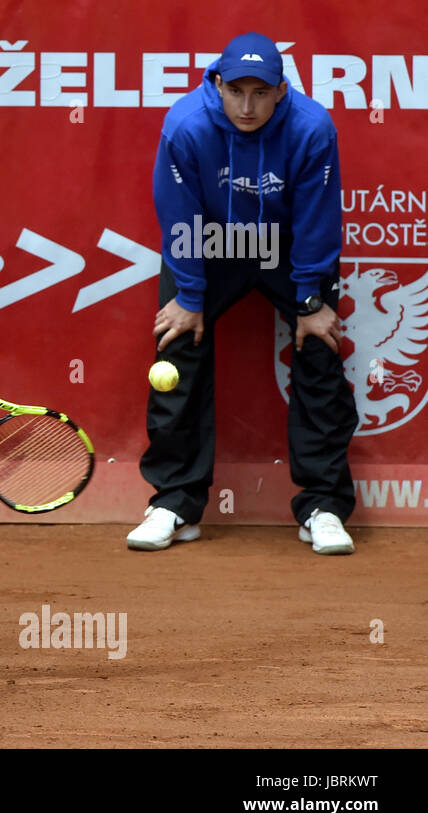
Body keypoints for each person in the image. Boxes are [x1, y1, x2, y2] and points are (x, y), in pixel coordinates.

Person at [126, 33, 357, 555]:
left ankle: (323, 506)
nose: (247, 107)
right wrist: (189, 294)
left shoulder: (312, 127)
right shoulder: (186, 124)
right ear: (217, 83)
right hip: (209, 243)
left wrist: (308, 302)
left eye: (260, 93)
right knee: (176, 345)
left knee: (318, 346)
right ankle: (174, 504)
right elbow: (178, 213)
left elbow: (318, 218)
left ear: (281, 90)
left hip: (288, 244)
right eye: (236, 91)